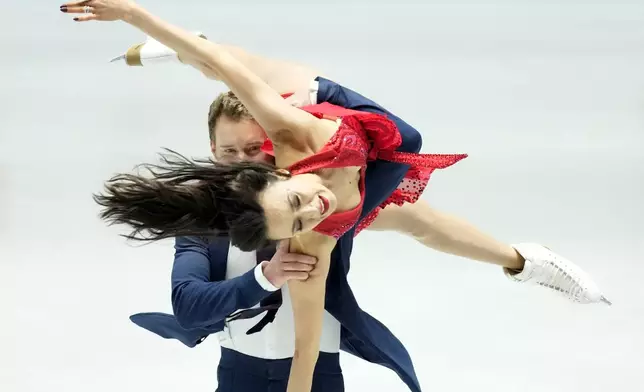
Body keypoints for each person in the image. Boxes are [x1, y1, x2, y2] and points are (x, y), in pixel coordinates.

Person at [60, 1, 610, 391]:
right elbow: (303, 340)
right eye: (229, 156)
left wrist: (135, 15)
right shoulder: (308, 232)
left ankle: (185, 47)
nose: (248, 161)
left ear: (273, 162)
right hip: (363, 171)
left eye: (255, 152)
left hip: (335, 114)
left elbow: (231, 75)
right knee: (412, 218)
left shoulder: (291, 132)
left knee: (234, 64)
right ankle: (525, 261)